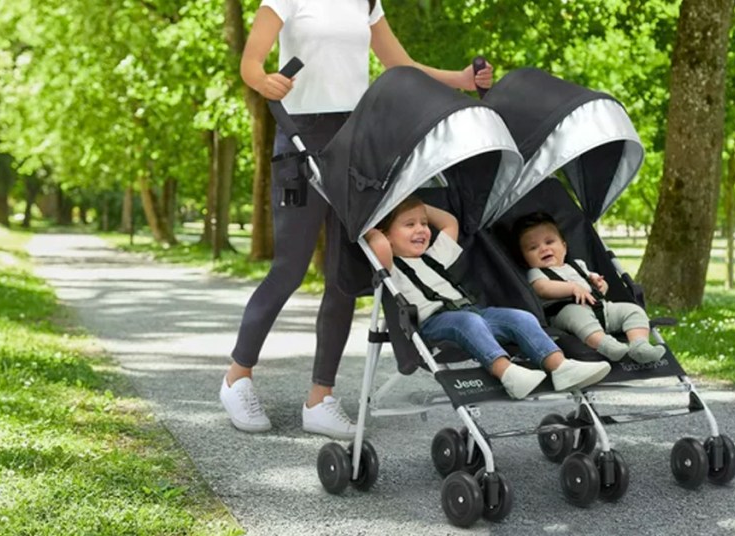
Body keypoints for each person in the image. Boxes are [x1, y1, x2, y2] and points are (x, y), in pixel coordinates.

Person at [221, 0, 495, 438]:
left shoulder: (366, 1)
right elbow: (251, 62)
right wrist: (263, 80)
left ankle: (320, 398)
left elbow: (400, 66)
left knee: (344, 274)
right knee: (289, 270)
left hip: (357, 143)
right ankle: (237, 377)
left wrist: (460, 81)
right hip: (300, 138)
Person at [364, 197, 612, 399]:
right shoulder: (390, 267)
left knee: (520, 318)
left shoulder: (434, 256)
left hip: (473, 313)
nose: (421, 229)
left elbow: (450, 223)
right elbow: (378, 245)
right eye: (410, 225)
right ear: (386, 235)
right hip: (434, 323)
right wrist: (377, 219)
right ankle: (507, 373)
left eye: (424, 223)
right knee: (468, 322)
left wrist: (416, 202)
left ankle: (560, 366)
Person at [513, 212, 667, 364]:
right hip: (565, 313)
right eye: (533, 248)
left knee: (633, 310)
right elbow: (543, 288)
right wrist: (572, 288)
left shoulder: (578, 265)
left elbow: (595, 286)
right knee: (577, 315)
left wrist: (600, 285)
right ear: (525, 259)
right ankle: (607, 346)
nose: (543, 249)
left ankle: (640, 345)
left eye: (549, 242)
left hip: (600, 308)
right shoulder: (535, 273)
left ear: (564, 247)